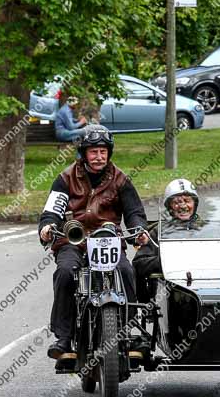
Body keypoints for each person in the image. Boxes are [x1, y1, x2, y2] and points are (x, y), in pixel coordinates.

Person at [39, 125, 151, 365]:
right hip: (72, 240)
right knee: (66, 272)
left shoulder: (121, 179)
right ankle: (64, 338)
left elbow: (134, 213)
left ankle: (129, 331)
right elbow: (52, 212)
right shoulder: (65, 178)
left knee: (126, 270)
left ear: (108, 153)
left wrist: (139, 230)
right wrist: (48, 227)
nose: (99, 156)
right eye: (93, 152)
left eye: (103, 151)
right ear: (83, 153)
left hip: (108, 240)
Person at [133, 179, 220, 299]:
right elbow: (139, 264)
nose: (182, 206)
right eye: (176, 202)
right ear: (170, 207)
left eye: (187, 201)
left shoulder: (218, 229)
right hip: (173, 293)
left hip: (215, 286)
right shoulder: (157, 232)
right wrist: (165, 261)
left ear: (194, 203)